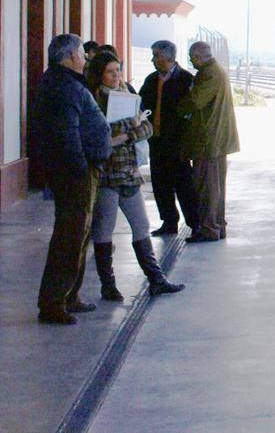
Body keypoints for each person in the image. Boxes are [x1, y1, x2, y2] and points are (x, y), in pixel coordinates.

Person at [86, 52, 184, 299]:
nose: (116, 75)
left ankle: (156, 278)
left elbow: (146, 127)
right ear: (100, 75)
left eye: (118, 70)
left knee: (141, 224)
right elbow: (102, 136)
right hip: (107, 174)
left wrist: (127, 135)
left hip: (128, 171)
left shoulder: (128, 94)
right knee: (104, 229)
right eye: (110, 71)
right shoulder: (93, 101)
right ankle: (108, 285)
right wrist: (129, 129)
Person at [32, 34, 112, 325]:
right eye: (81, 53)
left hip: (81, 171)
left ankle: (69, 295)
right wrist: (81, 170)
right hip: (75, 173)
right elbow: (67, 135)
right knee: (69, 236)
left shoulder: (65, 82)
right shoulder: (62, 86)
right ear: (69, 57)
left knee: (79, 235)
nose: (85, 58)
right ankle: (53, 302)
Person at [178, 41, 240, 243]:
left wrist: (179, 107)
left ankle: (209, 228)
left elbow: (195, 100)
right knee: (216, 186)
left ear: (198, 57)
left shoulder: (209, 73)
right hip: (215, 139)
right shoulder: (215, 70)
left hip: (208, 140)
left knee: (207, 187)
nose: (191, 62)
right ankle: (217, 225)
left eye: (191, 58)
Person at [139, 40, 198, 235]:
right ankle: (169, 221)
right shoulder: (150, 80)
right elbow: (141, 105)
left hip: (177, 141)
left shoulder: (185, 79)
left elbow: (192, 111)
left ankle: (194, 222)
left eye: (156, 55)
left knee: (184, 184)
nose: (153, 59)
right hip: (156, 140)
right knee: (160, 184)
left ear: (170, 57)